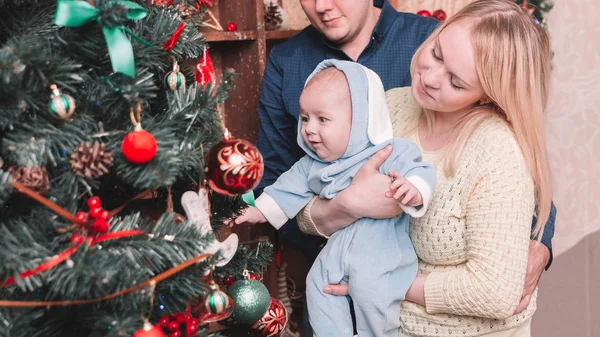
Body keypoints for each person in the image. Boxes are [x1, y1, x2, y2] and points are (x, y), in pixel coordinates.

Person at [254, 0, 556, 328]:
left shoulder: (495, 149)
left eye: (456, 82)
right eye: (436, 54)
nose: (430, 78)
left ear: (486, 94)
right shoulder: (390, 106)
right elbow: (296, 183)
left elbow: (497, 287)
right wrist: (345, 206)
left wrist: (378, 282)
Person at [236, 60, 436, 337]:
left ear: (359, 120)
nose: (309, 129)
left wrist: (413, 188)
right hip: (336, 248)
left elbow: (421, 170)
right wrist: (260, 210)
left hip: (380, 249)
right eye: (305, 118)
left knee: (371, 292)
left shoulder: (390, 151)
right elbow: (286, 190)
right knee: (318, 284)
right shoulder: (311, 164)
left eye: (322, 119)